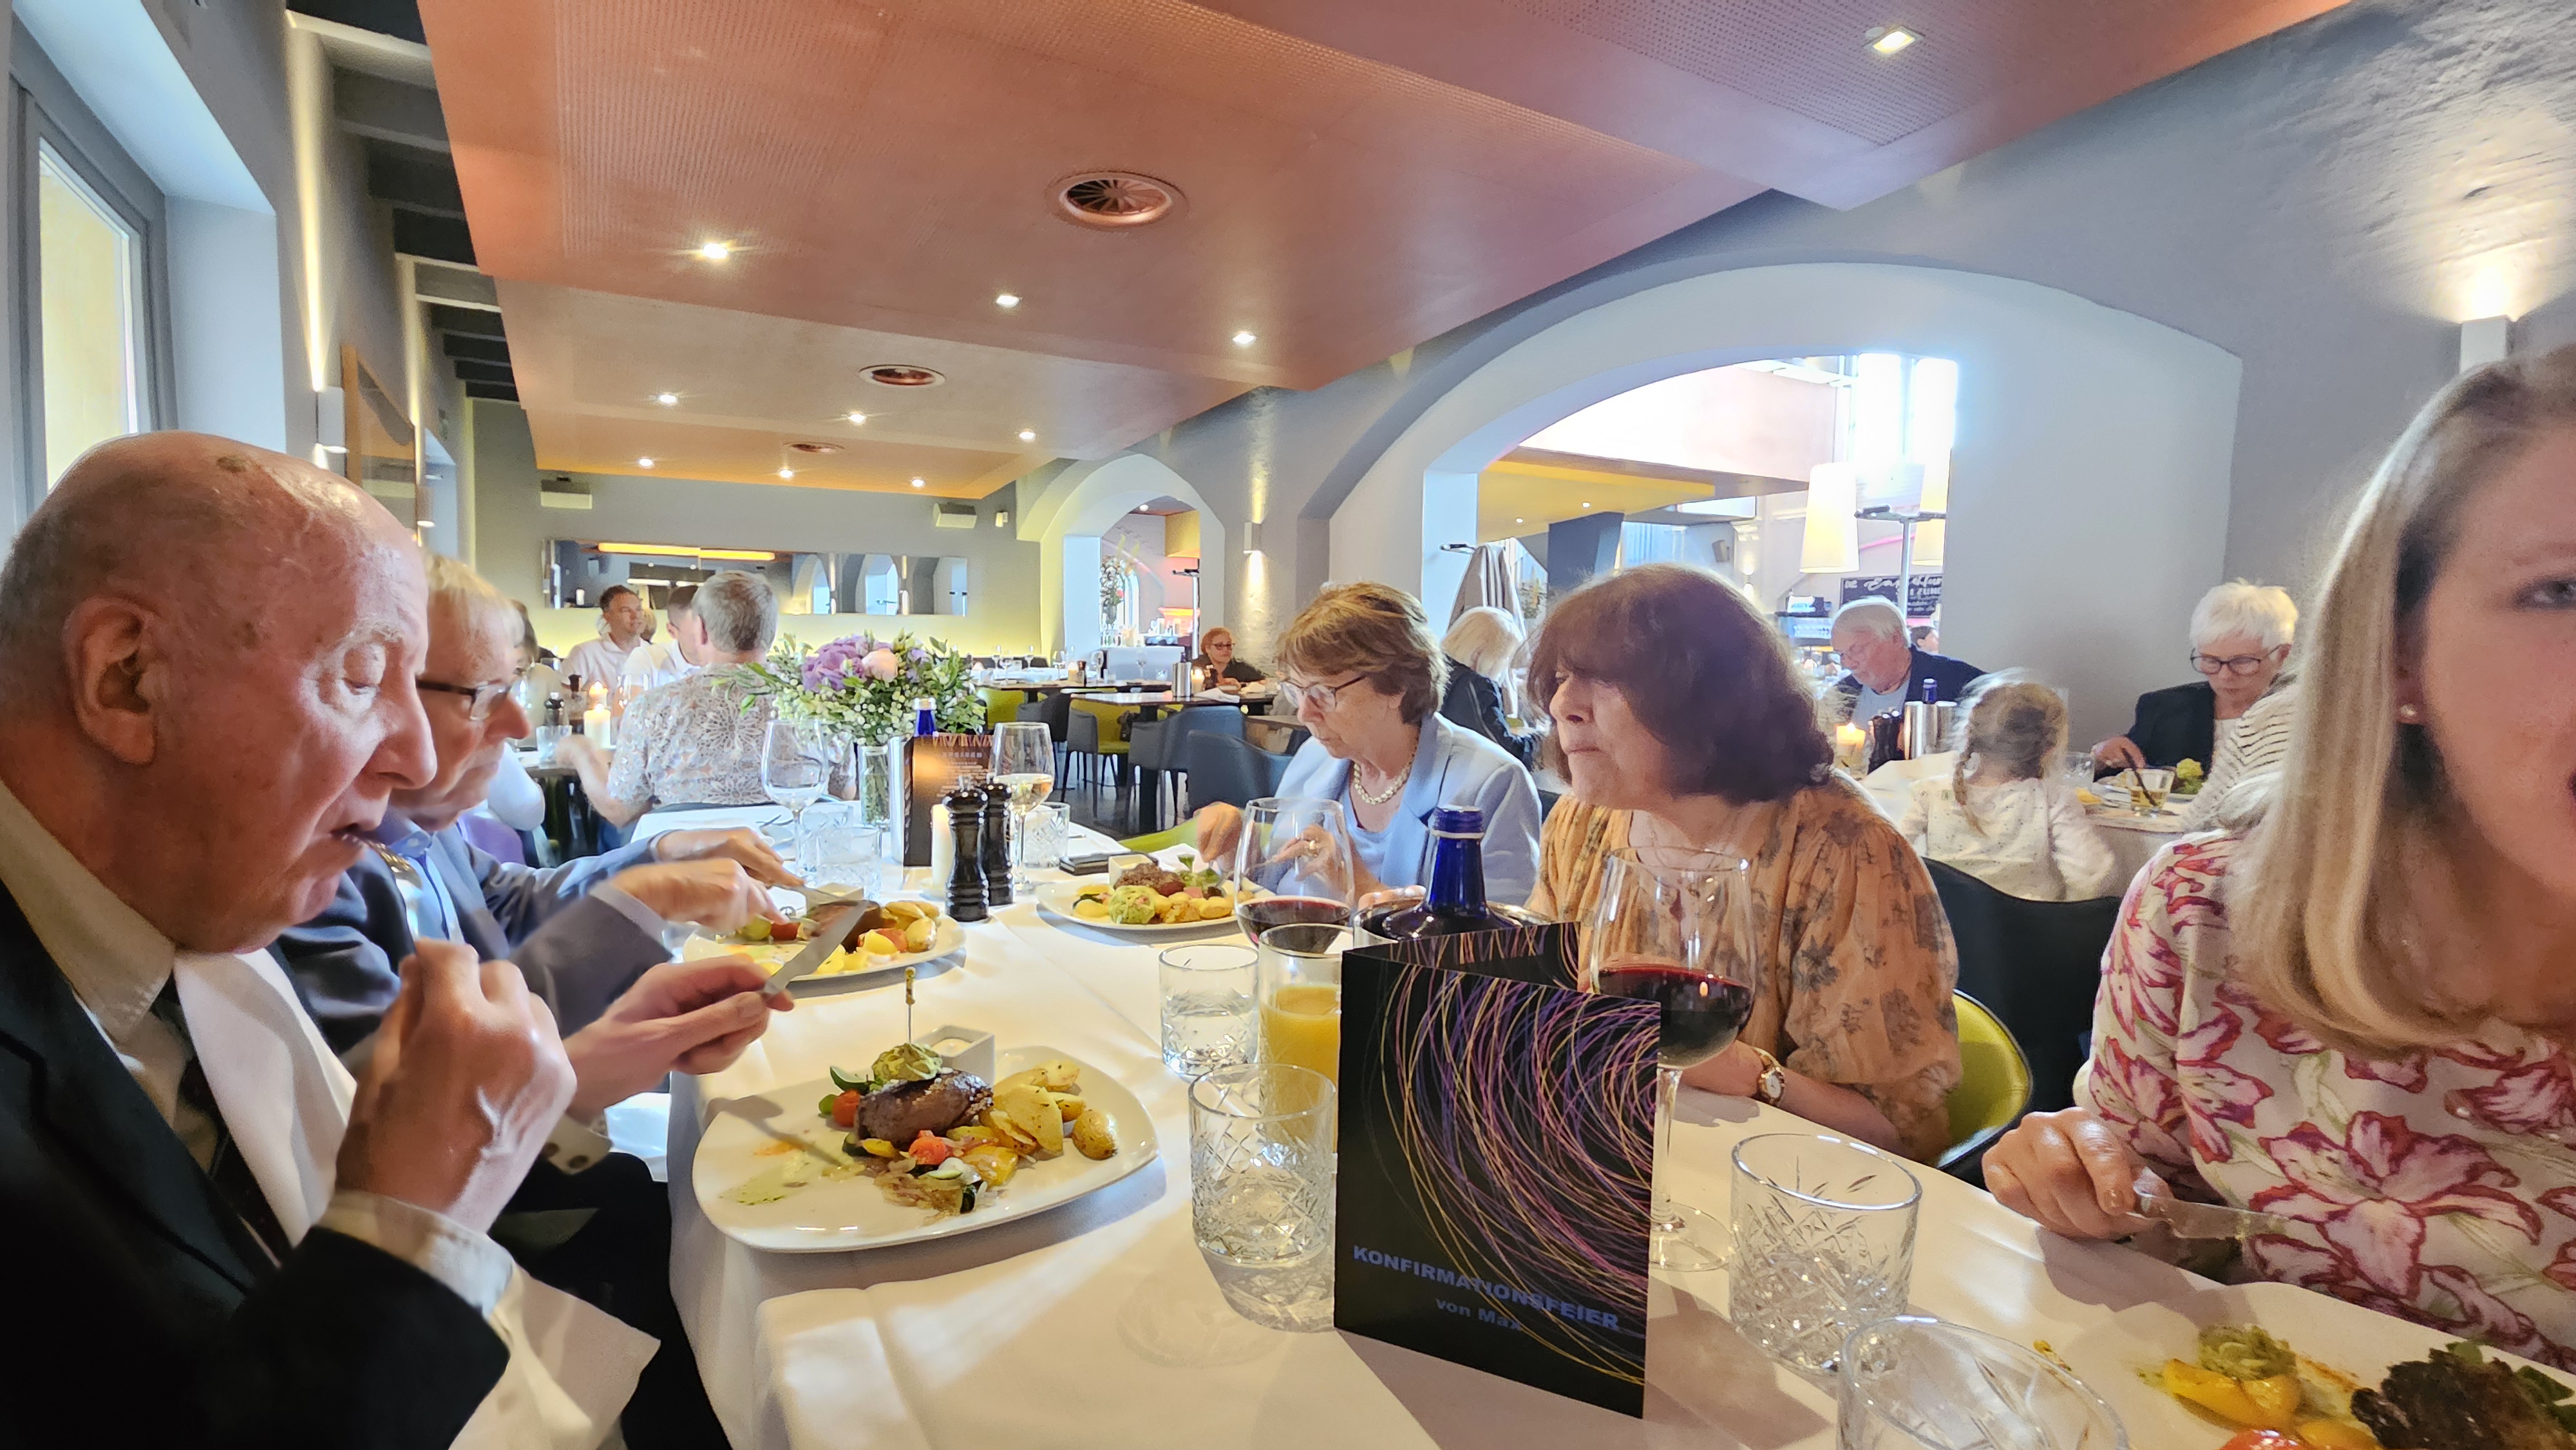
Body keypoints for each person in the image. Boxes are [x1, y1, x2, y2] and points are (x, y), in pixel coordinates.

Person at [0, 432, 786, 1445]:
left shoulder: (190, 917)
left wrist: (592, 1058)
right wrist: (408, 1236)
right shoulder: (231, 901)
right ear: (126, 676)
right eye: (363, 677)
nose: (413, 755)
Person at [1983, 348, 2576, 1369]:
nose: (2223, 676)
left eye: (2242, 661)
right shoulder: (2208, 918)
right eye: (2562, 589)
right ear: (2398, 655)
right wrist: (2085, 1178)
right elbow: (2152, 1210)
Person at [1525, 564, 1962, 1161]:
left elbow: (1900, 1137)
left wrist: (1754, 1076)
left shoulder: (1844, 852)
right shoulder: (1582, 823)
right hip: (1610, 1164)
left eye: (1607, 680)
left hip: (1774, 1188)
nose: (1562, 705)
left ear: (1710, 701)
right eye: (1560, 679)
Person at [275, 556, 799, 1051]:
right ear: (365, 693)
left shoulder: (425, 828)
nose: (519, 725)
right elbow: (413, 1090)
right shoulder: (307, 879)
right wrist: (647, 895)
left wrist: (660, 854)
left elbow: (508, 902)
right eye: (484, 694)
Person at [1193, 583, 1542, 903]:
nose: (1305, 713)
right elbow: (1276, 885)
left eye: (1323, 693)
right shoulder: (1316, 757)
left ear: (1396, 686)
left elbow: (1492, 941)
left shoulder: (1491, 784)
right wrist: (1239, 849)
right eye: (1296, 691)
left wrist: (1359, 884)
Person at [569, 569, 791, 827]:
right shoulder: (815, 704)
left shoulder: (653, 708)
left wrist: (581, 753)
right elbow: (833, 796)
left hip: (690, 851)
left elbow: (621, 811)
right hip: (786, 848)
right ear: (772, 632)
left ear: (702, 631)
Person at [1896, 673, 2116, 902]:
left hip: (1948, 921)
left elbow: (1889, 855)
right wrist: (2065, 912)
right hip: (2031, 922)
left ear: (1970, 733)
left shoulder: (1929, 793)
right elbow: (2092, 874)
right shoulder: (2052, 799)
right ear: (2050, 747)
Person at [2089, 580, 2297, 772]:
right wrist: (2104, 756)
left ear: (2282, 655)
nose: (2225, 676)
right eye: (2211, 660)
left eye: (2242, 662)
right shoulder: (2165, 709)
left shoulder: (2302, 715)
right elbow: (2120, 773)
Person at [1826, 595, 1984, 724]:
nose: (1847, 663)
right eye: (1841, 654)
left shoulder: (1960, 682)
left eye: (1857, 650)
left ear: (1896, 638)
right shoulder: (1842, 693)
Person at [1437, 605, 1537, 768]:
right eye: (1505, 657)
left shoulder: (1434, 673)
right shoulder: (1476, 685)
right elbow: (1509, 753)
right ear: (1480, 653)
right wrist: (1541, 742)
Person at [621, 582, 705, 693]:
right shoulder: (647, 660)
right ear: (672, 632)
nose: (711, 641)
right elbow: (627, 702)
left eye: (714, 631)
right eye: (698, 635)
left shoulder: (725, 662)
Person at [564, 583, 647, 688]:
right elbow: (565, 693)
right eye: (626, 610)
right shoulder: (585, 653)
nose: (636, 616)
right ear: (607, 616)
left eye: (639, 609)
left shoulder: (653, 654)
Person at [1193, 625, 1266, 684]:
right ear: (1208, 649)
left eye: (1228, 645)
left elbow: (1265, 682)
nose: (1226, 650)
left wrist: (1240, 685)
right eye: (1220, 646)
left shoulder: (1240, 667)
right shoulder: (1197, 665)